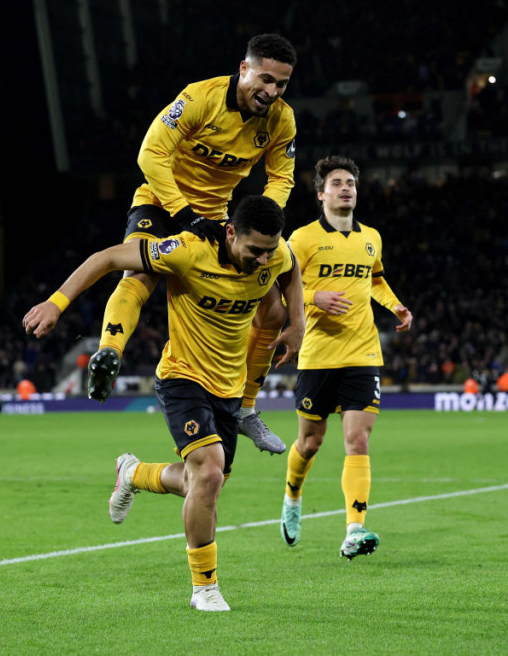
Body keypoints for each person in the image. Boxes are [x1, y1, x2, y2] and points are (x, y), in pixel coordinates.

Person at [23, 195, 304, 612]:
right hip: (181, 377)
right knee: (209, 472)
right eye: (255, 251)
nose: (264, 260)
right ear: (230, 233)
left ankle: (133, 473)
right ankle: (204, 588)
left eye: (269, 250)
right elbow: (106, 258)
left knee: (201, 483)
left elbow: (291, 267)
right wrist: (56, 303)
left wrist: (298, 322)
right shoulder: (186, 251)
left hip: (228, 388)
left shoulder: (274, 254)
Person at [86, 33, 299, 455]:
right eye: (265, 79)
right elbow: (150, 154)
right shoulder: (199, 98)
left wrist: (263, 218)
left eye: (282, 84)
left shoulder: (281, 120)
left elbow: (282, 177)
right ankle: (109, 353)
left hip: (216, 218)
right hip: (161, 203)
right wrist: (183, 213)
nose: (272, 91)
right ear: (244, 69)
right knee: (139, 275)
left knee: (274, 311)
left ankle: (245, 408)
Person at [278, 155, 413, 560]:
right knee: (310, 442)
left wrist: (396, 305)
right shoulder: (301, 239)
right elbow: (274, 287)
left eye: (350, 182)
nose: (346, 188)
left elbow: (375, 279)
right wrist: (313, 296)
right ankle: (292, 494)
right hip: (318, 354)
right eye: (336, 183)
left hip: (362, 352)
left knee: (358, 439)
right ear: (321, 194)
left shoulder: (371, 237)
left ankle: (354, 530)